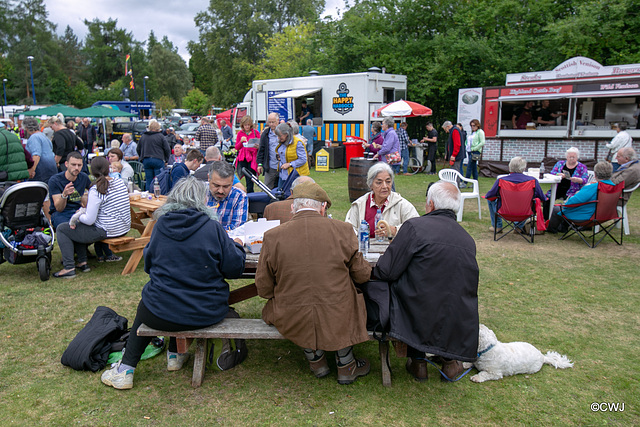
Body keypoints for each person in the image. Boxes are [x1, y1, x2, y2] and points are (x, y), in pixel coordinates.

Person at [101, 176, 246, 389]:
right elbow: (234, 269)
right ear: (201, 199)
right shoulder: (212, 228)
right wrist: (238, 247)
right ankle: (174, 355)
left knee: (156, 296)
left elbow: (148, 266)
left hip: (160, 313)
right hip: (205, 311)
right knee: (168, 293)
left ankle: (127, 369)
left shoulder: (160, 227)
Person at [256, 181, 371, 384]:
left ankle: (316, 360)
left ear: (293, 207)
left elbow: (264, 288)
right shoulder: (344, 230)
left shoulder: (272, 237)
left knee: (297, 305)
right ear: (323, 207)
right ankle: (346, 363)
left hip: (291, 314)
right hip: (338, 312)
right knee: (344, 303)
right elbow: (362, 276)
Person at [373, 181, 479, 382]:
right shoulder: (467, 239)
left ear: (430, 204)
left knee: (411, 291)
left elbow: (386, 270)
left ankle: (418, 360)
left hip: (417, 307)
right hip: (455, 312)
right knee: (446, 296)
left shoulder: (415, 227)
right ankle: (449, 363)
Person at [53, 156, 130, 278]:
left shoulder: (96, 189)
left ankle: (68, 267)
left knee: (63, 228)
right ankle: (82, 262)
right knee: (77, 227)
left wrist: (79, 216)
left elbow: (89, 220)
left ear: (92, 171)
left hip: (108, 230)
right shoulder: (119, 182)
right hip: (123, 228)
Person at [345, 162, 419, 239]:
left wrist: (395, 230)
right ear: (371, 185)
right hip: (365, 249)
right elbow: (348, 230)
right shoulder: (360, 204)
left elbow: (417, 227)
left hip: (394, 250)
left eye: (388, 182)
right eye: (379, 182)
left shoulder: (402, 204)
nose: (384, 186)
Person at [547, 161, 614, 234]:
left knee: (557, 208)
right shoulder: (614, 187)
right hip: (606, 215)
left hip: (587, 216)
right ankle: (562, 227)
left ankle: (551, 230)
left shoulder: (592, 188)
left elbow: (570, 203)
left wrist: (577, 194)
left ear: (595, 174)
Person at [485, 156, 547, 233]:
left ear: (509, 167)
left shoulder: (501, 180)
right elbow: (542, 198)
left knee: (490, 200)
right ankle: (518, 227)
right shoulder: (533, 181)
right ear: (524, 168)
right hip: (525, 212)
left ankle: (497, 226)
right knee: (530, 203)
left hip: (504, 211)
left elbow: (489, 196)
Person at [48, 151, 92, 229]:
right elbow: (59, 208)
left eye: (79, 165)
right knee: (67, 228)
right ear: (66, 164)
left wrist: (86, 204)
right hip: (61, 213)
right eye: (73, 165)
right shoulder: (55, 180)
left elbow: (95, 191)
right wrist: (64, 195)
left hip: (78, 210)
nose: (76, 168)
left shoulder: (83, 177)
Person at [206, 160, 248, 231]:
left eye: (226, 186)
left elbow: (238, 228)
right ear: (208, 178)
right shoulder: (198, 192)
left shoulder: (239, 196)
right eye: (216, 185)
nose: (220, 191)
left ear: (232, 181)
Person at [545, 147, 589, 212]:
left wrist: (578, 180)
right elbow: (552, 173)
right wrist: (558, 175)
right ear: (566, 157)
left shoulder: (582, 167)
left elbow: (585, 179)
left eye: (573, 157)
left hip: (573, 190)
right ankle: (547, 219)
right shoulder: (560, 164)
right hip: (557, 188)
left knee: (570, 203)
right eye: (569, 157)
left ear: (577, 157)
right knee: (547, 200)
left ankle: (564, 219)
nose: (571, 159)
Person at [137, 119, 170, 190]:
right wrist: (166, 159)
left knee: (148, 181)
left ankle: (149, 196)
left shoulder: (143, 136)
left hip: (146, 159)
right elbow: (167, 149)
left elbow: (138, 149)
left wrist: (141, 157)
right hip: (158, 159)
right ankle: (158, 196)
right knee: (159, 180)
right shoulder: (160, 136)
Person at [23, 117, 57, 185]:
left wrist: (31, 170)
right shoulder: (43, 136)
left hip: (41, 172)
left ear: (26, 128)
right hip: (51, 169)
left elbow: (36, 155)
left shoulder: (34, 137)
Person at [275, 122, 310, 189]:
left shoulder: (298, 143)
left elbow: (303, 159)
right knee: (281, 194)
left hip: (295, 176)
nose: (278, 138)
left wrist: (290, 164)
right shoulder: (281, 143)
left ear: (287, 134)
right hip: (283, 175)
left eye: (280, 135)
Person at [235, 115, 261, 193]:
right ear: (242, 125)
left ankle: (250, 191)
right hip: (243, 157)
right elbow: (237, 147)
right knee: (247, 176)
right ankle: (249, 191)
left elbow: (260, 144)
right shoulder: (240, 133)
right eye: (245, 125)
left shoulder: (255, 132)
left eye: (248, 125)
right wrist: (241, 142)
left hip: (252, 157)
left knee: (251, 176)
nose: (247, 127)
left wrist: (257, 146)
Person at [257, 113, 280, 189]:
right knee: (267, 187)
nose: (271, 124)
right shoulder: (265, 134)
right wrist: (260, 164)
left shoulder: (283, 132)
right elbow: (261, 150)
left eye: (273, 122)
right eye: (269, 122)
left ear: (278, 121)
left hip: (283, 166)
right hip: (271, 166)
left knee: (281, 187)